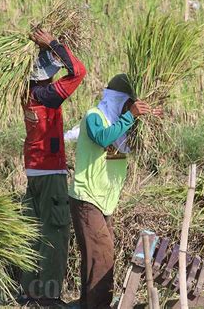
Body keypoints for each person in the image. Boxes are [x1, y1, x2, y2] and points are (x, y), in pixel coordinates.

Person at [68, 74, 161, 308]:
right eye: (128, 104)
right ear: (118, 101)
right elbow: (101, 138)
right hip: (87, 197)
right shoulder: (95, 116)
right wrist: (130, 116)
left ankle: (88, 303)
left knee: (94, 256)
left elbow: (141, 146)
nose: (130, 109)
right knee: (102, 255)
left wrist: (151, 121)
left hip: (105, 200)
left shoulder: (124, 126)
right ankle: (99, 306)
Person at [20, 28, 86, 306]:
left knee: (32, 231)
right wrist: (54, 44)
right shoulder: (46, 93)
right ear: (44, 77)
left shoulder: (26, 92)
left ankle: (29, 292)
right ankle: (48, 296)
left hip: (34, 168)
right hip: (48, 173)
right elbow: (78, 72)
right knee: (55, 232)